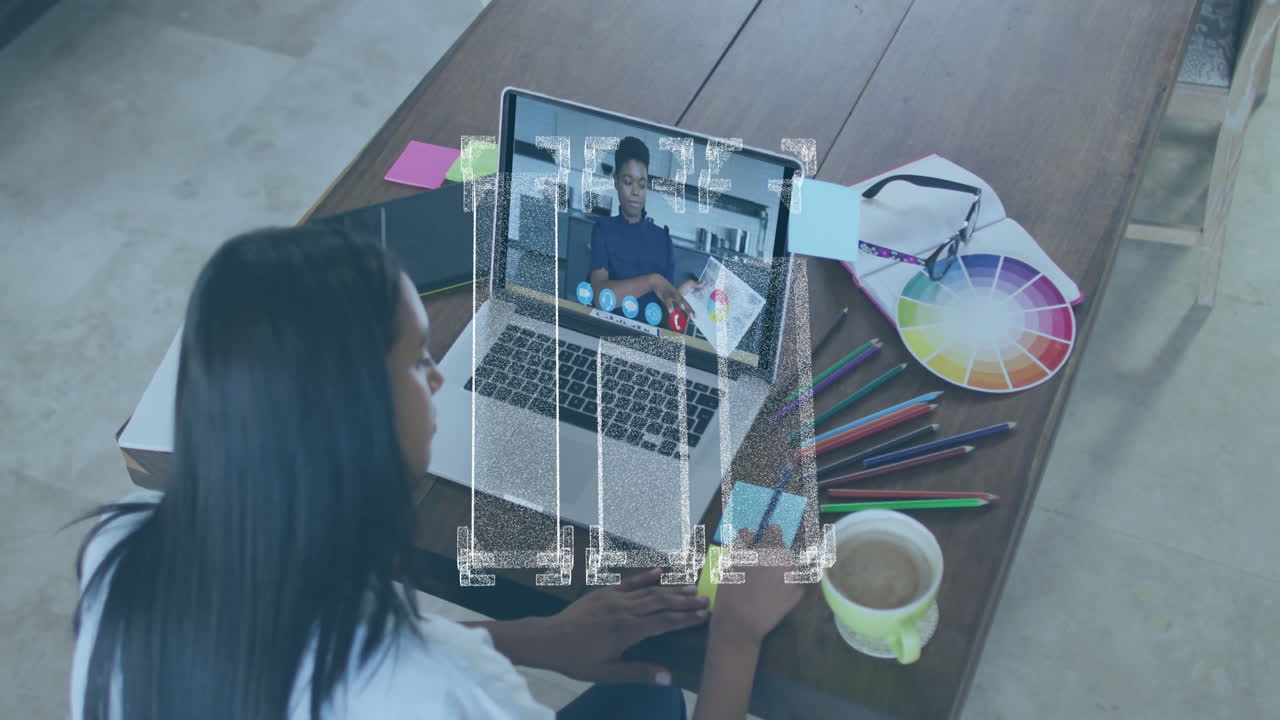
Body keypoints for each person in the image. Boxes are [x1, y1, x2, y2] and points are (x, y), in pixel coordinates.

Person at [69, 225, 803, 720]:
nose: (441, 380)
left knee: (643, 697)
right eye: (421, 362)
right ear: (362, 427)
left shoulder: (122, 553)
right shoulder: (437, 697)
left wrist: (536, 640)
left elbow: (316, 651)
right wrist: (735, 637)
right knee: (661, 693)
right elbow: (407, 677)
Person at [589, 136, 700, 325]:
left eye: (642, 184)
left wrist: (679, 295)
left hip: (646, 344)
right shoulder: (603, 230)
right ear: (616, 181)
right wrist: (652, 281)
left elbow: (666, 320)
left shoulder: (663, 239)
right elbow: (600, 299)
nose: (636, 191)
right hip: (606, 333)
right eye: (627, 181)